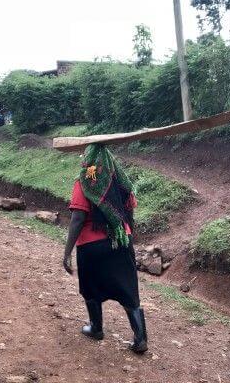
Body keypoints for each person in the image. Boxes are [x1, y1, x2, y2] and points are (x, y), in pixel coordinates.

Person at [63, 144, 147, 353]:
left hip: (92, 246)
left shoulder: (84, 183)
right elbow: (130, 211)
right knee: (128, 288)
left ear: (89, 162)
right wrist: (127, 237)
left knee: (90, 287)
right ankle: (140, 338)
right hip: (121, 241)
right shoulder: (120, 181)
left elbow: (78, 218)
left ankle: (96, 328)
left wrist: (67, 252)